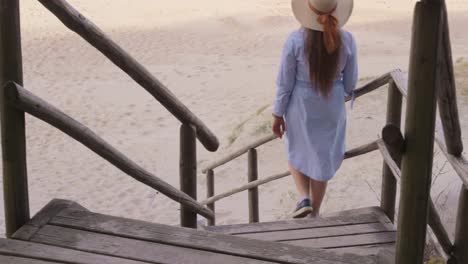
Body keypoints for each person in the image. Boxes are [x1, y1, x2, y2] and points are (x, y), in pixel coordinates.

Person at [272, 0, 357, 218]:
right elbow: (350, 84)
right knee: (322, 155)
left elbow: (284, 83)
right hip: (332, 105)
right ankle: (315, 212)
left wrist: (277, 113)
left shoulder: (295, 40)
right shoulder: (347, 39)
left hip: (301, 105)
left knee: (296, 148)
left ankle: (303, 197)